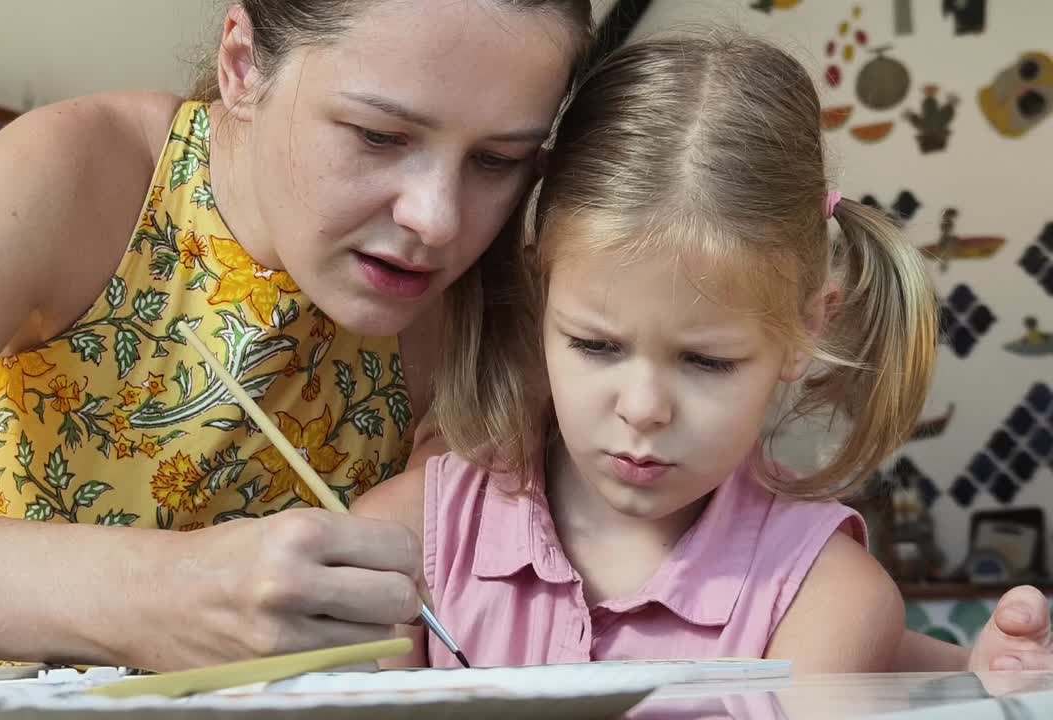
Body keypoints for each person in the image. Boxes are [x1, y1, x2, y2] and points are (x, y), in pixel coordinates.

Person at [0, 0, 1045, 671]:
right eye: (377, 134)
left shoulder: (496, 290)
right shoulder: (73, 179)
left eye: (502, 160)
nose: (438, 222)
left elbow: (670, 593)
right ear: (242, 63)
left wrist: (951, 672)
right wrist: (152, 592)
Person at [354, 33, 1051, 673]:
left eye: (706, 362)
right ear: (542, 298)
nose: (644, 409)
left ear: (806, 332)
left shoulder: (827, 600)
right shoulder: (400, 541)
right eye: (596, 344)